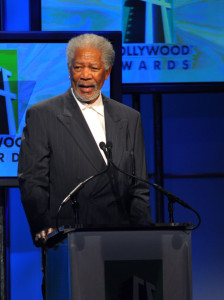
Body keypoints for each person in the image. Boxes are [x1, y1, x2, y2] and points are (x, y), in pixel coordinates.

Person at [18, 33, 153, 246]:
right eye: (78, 67)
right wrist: (45, 229)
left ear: (107, 72)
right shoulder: (43, 114)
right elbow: (33, 181)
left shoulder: (129, 118)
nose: (85, 75)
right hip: (67, 239)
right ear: (69, 70)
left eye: (93, 68)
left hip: (121, 238)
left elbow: (139, 188)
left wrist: (145, 237)